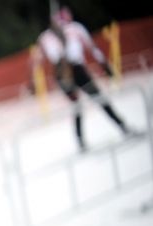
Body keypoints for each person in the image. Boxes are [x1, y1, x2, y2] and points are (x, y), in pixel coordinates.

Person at [32, 6, 133, 152]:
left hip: (65, 73)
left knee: (81, 104)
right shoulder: (71, 30)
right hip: (69, 71)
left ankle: (83, 141)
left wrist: (32, 83)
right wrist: (105, 66)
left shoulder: (48, 36)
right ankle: (119, 127)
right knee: (92, 100)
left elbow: (36, 62)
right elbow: (92, 48)